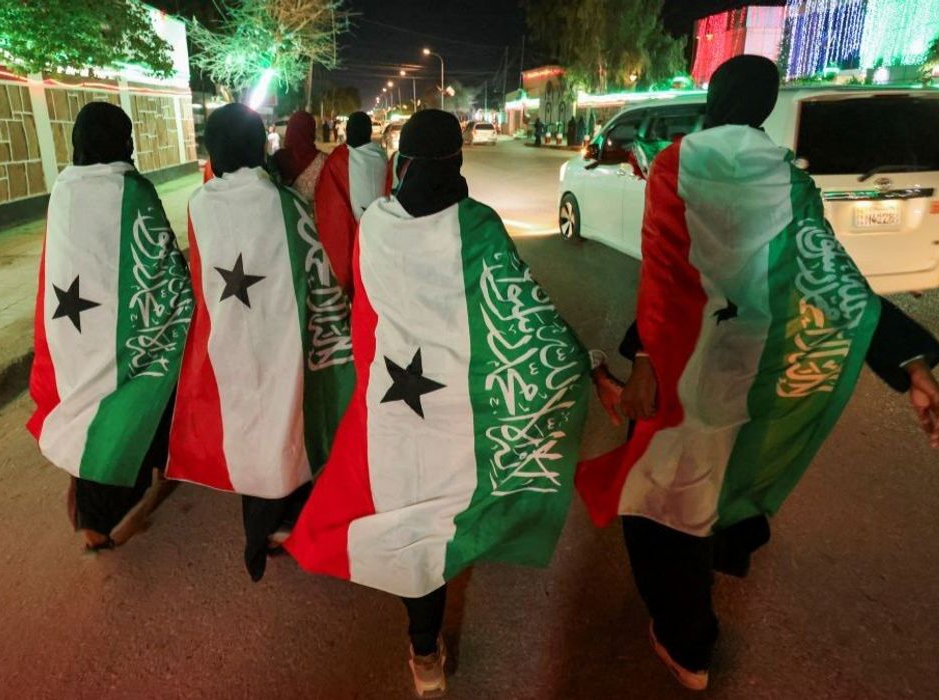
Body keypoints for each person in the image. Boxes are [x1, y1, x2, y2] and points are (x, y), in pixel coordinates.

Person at [575, 55, 939, 691]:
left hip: (682, 368)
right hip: (758, 370)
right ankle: (712, 584)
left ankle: (687, 646)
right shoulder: (787, 179)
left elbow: (666, 280)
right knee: (720, 480)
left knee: (655, 505)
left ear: (714, 98)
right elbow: (832, 281)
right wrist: (908, 362)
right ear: (765, 105)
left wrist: (641, 360)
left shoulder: (675, 165)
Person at [286, 110, 620, 699]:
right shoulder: (479, 225)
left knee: (409, 517)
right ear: (456, 164)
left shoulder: (377, 226)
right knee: (447, 517)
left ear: (404, 164)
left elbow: (366, 313)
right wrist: (585, 365)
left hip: (394, 409)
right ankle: (427, 647)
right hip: (461, 418)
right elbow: (525, 319)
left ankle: (423, 650)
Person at [166, 103, 354, 582]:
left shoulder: (198, 204)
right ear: (258, 145)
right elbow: (317, 273)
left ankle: (260, 528)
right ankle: (288, 522)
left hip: (229, 338)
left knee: (246, 422)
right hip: (281, 336)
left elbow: (200, 275)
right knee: (288, 417)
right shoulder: (284, 203)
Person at [27, 102, 192, 551]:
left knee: (85, 405)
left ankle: (91, 513)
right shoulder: (131, 190)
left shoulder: (63, 189)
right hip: (125, 329)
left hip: (77, 325)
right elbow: (159, 263)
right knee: (137, 401)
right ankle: (124, 502)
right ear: (123, 140)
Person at [313, 111, 389, 294]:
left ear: (348, 131)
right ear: (369, 131)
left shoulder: (339, 158)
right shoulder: (381, 156)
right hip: (380, 232)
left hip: (352, 236)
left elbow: (328, 202)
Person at [271, 111, 327, 204]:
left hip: (286, 216)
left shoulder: (278, 159)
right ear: (311, 130)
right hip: (315, 217)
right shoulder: (324, 162)